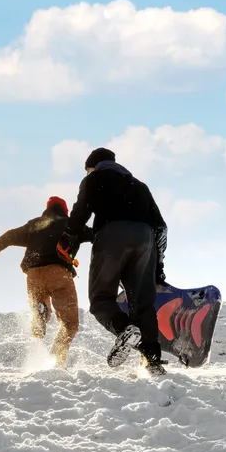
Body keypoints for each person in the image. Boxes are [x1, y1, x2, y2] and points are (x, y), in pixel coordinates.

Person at [61, 147, 167, 375]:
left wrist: (70, 237)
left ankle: (125, 328)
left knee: (100, 300)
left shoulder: (94, 178)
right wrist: (157, 267)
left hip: (112, 236)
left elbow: (80, 213)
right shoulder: (139, 185)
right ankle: (153, 362)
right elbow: (161, 228)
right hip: (145, 239)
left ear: (92, 166)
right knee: (142, 303)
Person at [0, 196, 93, 366]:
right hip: (58, 272)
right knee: (69, 324)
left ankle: (42, 310)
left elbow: (10, 235)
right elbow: (96, 235)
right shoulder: (71, 225)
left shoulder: (34, 224)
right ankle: (57, 363)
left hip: (33, 274)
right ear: (66, 211)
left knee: (39, 319)